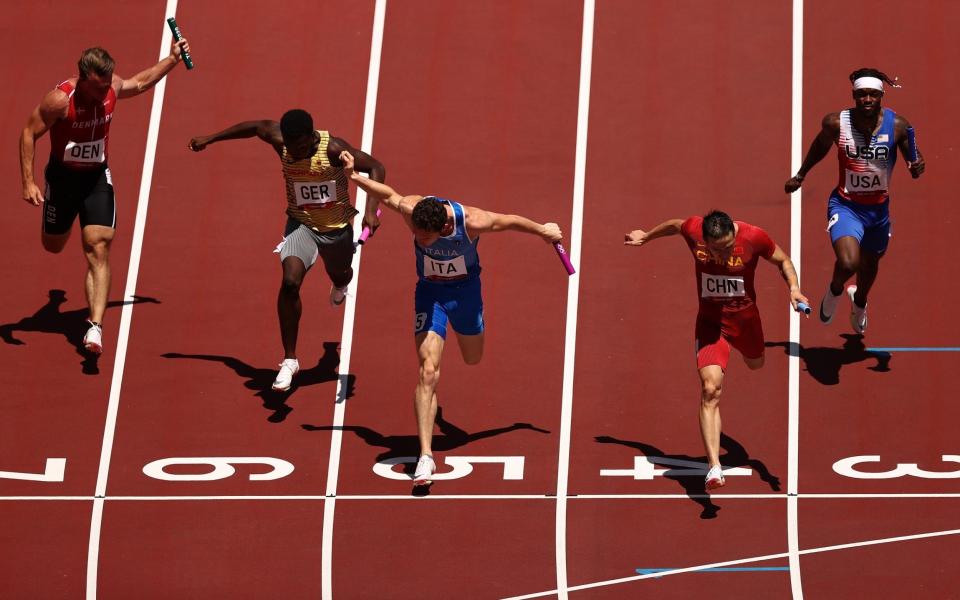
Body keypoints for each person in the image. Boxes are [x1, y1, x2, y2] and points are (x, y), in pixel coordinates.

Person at [340, 150, 563, 487]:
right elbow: (387, 193)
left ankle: (469, 329)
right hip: (430, 295)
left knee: (473, 358)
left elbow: (510, 220)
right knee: (428, 371)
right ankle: (426, 457)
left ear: (444, 227)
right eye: (416, 235)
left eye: (425, 239)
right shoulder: (412, 210)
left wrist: (543, 230)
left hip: (466, 295)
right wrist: (353, 176)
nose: (419, 241)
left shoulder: (472, 221)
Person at [188, 110, 385, 392]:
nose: (295, 152)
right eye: (291, 148)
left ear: (311, 137)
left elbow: (377, 167)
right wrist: (211, 138)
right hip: (300, 224)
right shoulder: (280, 140)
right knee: (290, 282)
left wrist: (369, 211)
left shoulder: (334, 149)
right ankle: (290, 359)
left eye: (302, 147)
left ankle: (341, 282)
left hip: (336, 229)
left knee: (341, 273)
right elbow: (254, 125)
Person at [20, 41, 191, 355]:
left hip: (97, 178)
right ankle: (68, 225)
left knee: (98, 245)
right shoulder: (59, 100)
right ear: (83, 78)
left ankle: (94, 327)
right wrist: (29, 182)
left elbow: (139, 82)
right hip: (63, 180)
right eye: (98, 89)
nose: (104, 95)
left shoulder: (110, 86)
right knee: (53, 245)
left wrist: (172, 59)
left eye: (106, 87)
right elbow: (29, 133)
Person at [625, 211, 808, 490]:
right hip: (711, 325)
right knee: (710, 390)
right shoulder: (695, 231)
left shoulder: (753, 236)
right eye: (715, 249)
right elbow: (675, 224)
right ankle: (714, 468)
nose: (722, 255)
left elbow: (783, 261)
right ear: (705, 239)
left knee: (755, 363)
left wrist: (794, 289)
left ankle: (721, 445)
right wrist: (646, 236)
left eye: (726, 247)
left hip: (746, 323)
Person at [784, 67, 925, 334]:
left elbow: (914, 162)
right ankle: (835, 290)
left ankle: (859, 302)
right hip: (846, 205)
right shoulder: (836, 123)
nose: (867, 100)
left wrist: (917, 166)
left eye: (873, 94)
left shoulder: (898, 126)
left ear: (881, 96)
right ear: (854, 95)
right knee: (849, 262)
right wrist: (800, 176)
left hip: (878, 211)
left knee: (870, 265)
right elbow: (819, 148)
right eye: (862, 95)